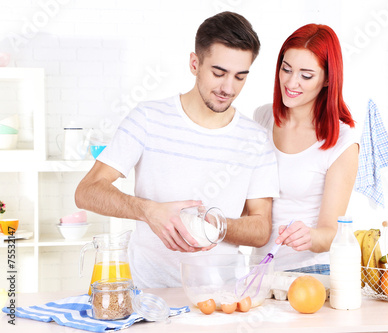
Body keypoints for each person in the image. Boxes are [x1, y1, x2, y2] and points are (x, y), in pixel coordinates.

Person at [75, 11, 279, 288]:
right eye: (218, 73)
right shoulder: (147, 118)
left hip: (220, 298)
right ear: (195, 63)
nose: (228, 88)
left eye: (240, 77)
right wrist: (148, 211)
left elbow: (260, 229)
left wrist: (211, 226)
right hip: (147, 295)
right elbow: (87, 191)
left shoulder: (255, 139)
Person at [252, 24, 359, 274]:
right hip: (261, 270)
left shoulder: (342, 141)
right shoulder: (263, 117)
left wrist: (310, 236)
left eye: (306, 75)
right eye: (286, 69)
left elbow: (332, 233)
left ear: (328, 79)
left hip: (312, 271)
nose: (291, 82)